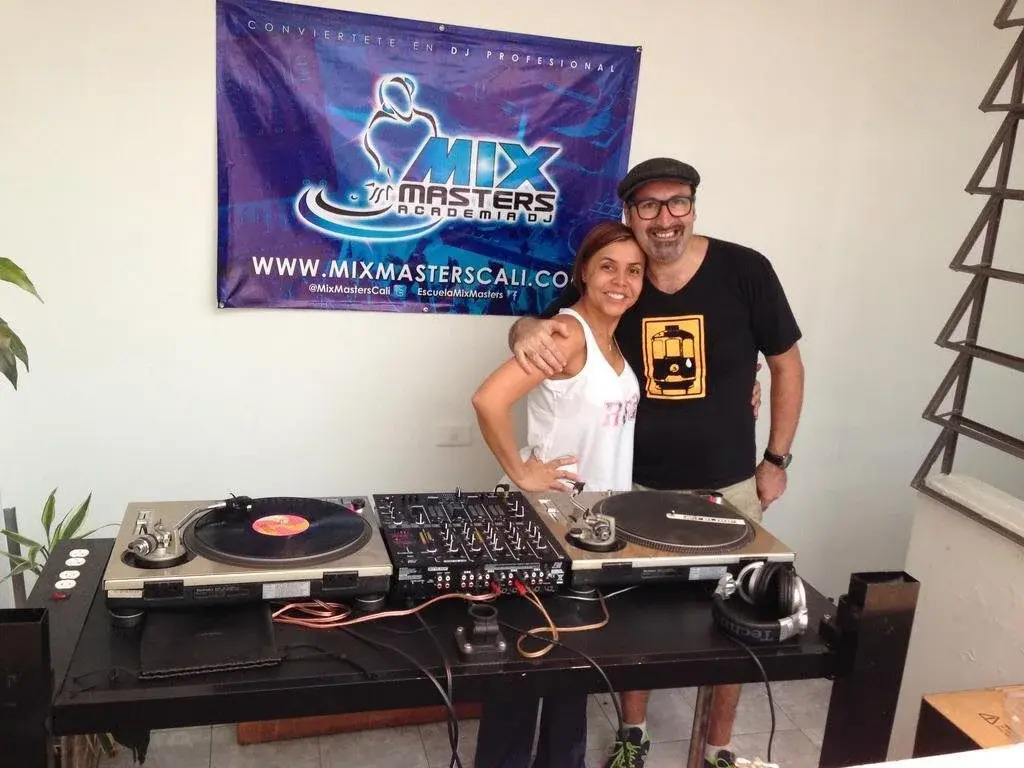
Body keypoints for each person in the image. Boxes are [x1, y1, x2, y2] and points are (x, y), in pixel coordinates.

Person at [509, 157, 805, 768]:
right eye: (648, 205)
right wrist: (520, 334)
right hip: (635, 485)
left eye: (677, 202)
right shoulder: (624, 279)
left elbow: (786, 365)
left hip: (731, 486)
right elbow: (549, 324)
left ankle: (718, 747)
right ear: (630, 214)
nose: (664, 218)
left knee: (736, 621)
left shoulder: (745, 269)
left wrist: (776, 458)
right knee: (636, 621)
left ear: (693, 206)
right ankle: (632, 735)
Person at [470, 220, 645, 768]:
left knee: (572, 671)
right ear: (584, 273)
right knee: (523, 677)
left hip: (590, 530)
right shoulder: (568, 334)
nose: (621, 281)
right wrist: (522, 472)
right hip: (545, 525)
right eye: (608, 267)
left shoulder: (613, 340)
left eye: (634, 270)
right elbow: (488, 400)